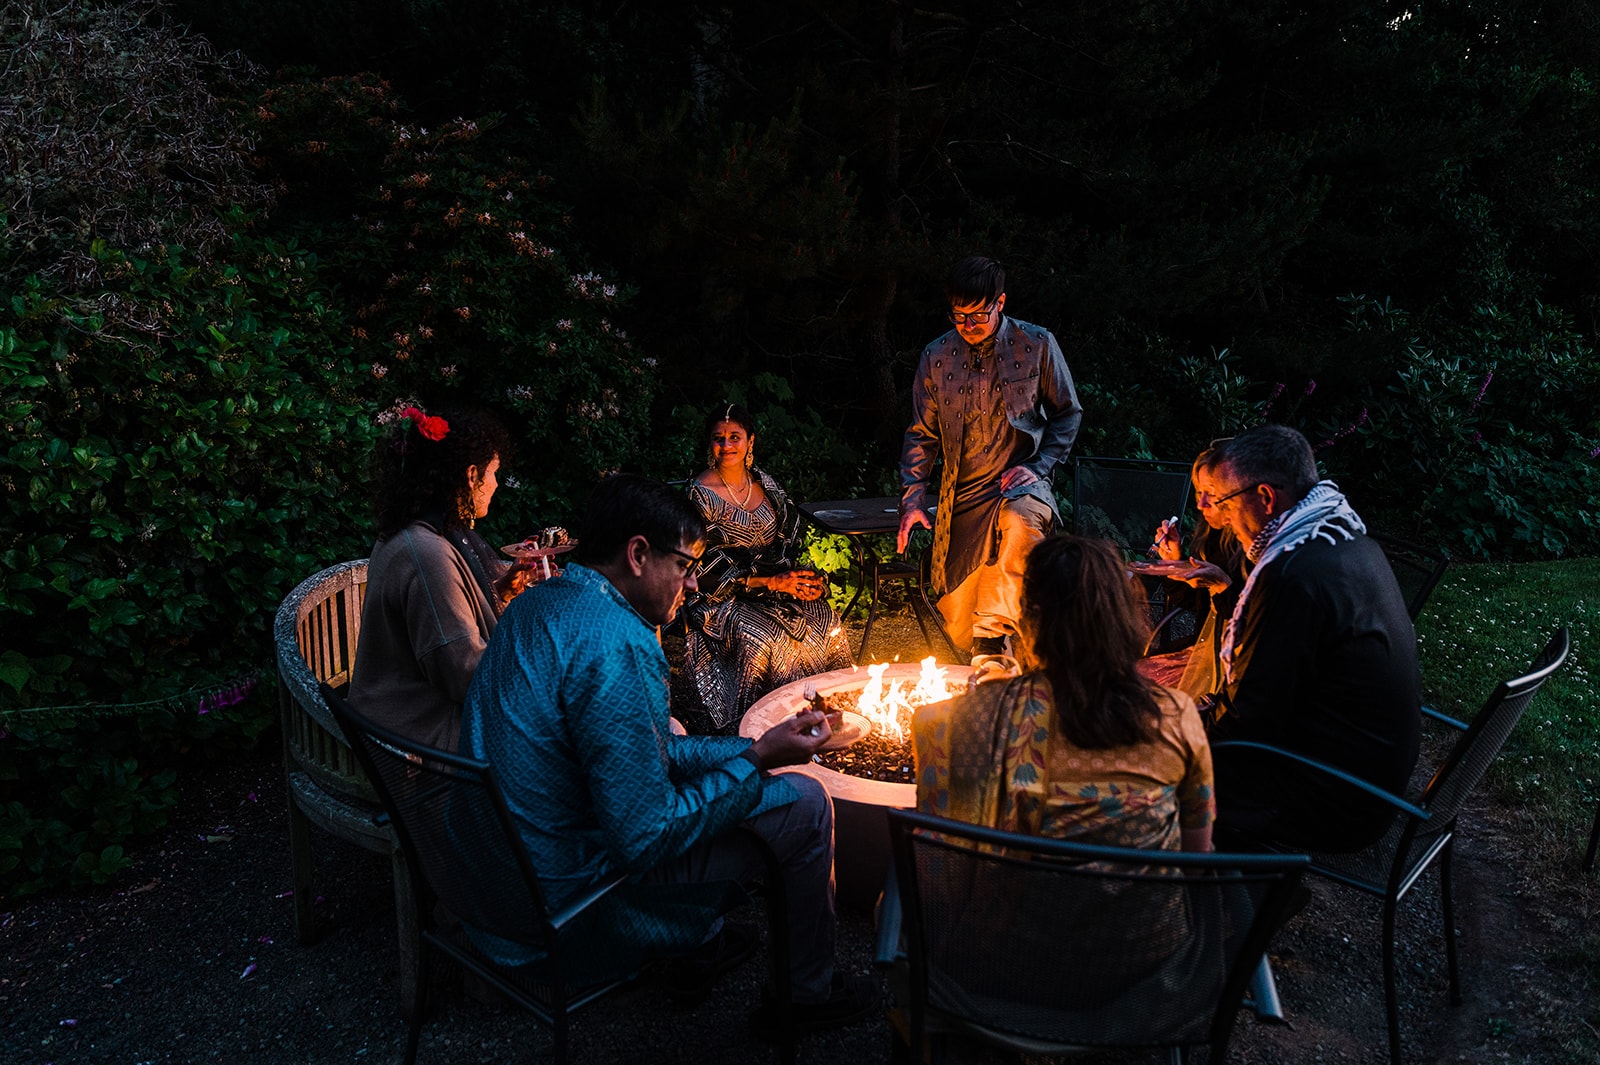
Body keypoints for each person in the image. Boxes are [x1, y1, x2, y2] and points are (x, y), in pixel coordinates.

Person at [458, 474, 877, 1033]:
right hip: (564, 916)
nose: (692, 584)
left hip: (493, 886)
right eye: (684, 566)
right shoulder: (619, 643)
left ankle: (702, 945)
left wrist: (758, 744)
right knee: (804, 801)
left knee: (678, 731)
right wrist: (755, 764)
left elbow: (645, 752)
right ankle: (806, 995)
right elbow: (646, 835)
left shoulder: (541, 603)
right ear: (638, 554)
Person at [912, 535, 1214, 852]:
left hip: (1015, 898)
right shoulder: (1176, 717)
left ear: (1027, 619)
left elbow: (944, 860)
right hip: (1144, 900)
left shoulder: (946, 725)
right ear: (1122, 619)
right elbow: (1198, 857)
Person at [1202, 425, 1422, 853]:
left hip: (1333, 800)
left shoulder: (1293, 573)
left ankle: (1219, 901)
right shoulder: (1343, 535)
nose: (1225, 520)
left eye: (1227, 504)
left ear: (1265, 498)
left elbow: (1247, 719)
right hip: (1369, 779)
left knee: (1155, 771)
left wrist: (1165, 730)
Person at [897, 255, 1084, 656]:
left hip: (1022, 484)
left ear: (1000, 302)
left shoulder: (1036, 344)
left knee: (1019, 525)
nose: (967, 325)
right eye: (958, 315)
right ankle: (982, 657)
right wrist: (913, 498)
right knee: (959, 616)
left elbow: (1068, 413)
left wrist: (1039, 466)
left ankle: (995, 638)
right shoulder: (937, 355)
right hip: (962, 495)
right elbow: (922, 433)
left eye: (977, 315)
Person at [348, 405, 535, 752]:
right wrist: (544, 652)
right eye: (493, 473)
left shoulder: (413, 532)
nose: (495, 484)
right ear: (470, 476)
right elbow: (466, 675)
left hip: (400, 726)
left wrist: (502, 593)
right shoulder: (426, 553)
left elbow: (440, 623)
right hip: (422, 747)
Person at [681, 404, 853, 734]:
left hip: (776, 586)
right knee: (764, 638)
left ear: (750, 442)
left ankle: (826, 712)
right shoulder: (698, 495)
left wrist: (804, 579)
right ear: (709, 444)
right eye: (719, 438)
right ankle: (756, 728)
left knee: (823, 618)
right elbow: (696, 564)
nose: (727, 445)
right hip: (724, 595)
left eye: (735, 437)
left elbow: (789, 544)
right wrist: (767, 582)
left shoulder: (767, 485)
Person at [1140, 440, 1247, 701]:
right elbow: (1194, 602)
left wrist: (1222, 586)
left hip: (1235, 666)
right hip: (1201, 647)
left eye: (1211, 491)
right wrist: (1173, 559)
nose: (1201, 504)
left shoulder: (1257, 548)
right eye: (1199, 492)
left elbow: (1252, 627)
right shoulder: (1212, 536)